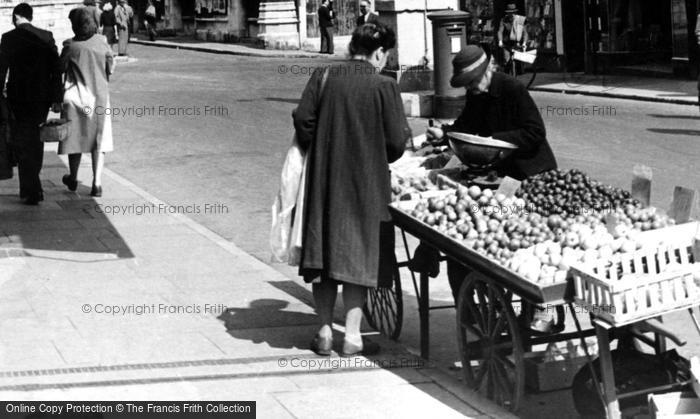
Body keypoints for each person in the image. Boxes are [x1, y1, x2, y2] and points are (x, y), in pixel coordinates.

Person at [293, 23, 411, 356]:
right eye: (384, 56)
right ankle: (354, 337)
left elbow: (303, 120)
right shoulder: (384, 86)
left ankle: (325, 331)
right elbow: (396, 141)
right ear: (378, 53)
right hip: (367, 183)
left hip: (325, 181)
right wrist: (378, 155)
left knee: (325, 257)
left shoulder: (324, 77)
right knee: (361, 255)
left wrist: (320, 150)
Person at [426, 45, 557, 328]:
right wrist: (445, 133)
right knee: (480, 245)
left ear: (488, 71)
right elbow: (467, 125)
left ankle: (543, 308)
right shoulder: (477, 95)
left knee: (527, 245)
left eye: (473, 81)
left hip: (530, 176)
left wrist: (495, 140)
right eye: (467, 84)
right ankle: (486, 311)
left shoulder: (512, 89)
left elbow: (535, 132)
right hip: (501, 180)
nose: (471, 88)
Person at [0, 3, 62, 205]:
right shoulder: (46, 36)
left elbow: (1, 70)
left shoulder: (9, 38)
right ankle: (32, 187)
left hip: (18, 98)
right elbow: (56, 70)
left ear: (17, 16)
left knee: (23, 141)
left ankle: (31, 189)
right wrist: (57, 98)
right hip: (41, 98)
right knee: (36, 140)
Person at [59, 7, 114, 198]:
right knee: (99, 141)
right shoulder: (102, 42)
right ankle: (97, 183)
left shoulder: (70, 46)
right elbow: (110, 68)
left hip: (74, 98)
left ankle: (73, 177)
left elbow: (61, 67)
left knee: (75, 139)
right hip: (99, 96)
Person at [497, 3, 528, 69]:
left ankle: (517, 73)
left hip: (517, 43)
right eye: (509, 13)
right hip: (507, 43)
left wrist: (525, 43)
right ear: (507, 13)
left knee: (518, 63)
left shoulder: (520, 20)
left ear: (515, 12)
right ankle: (507, 74)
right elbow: (500, 31)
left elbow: (525, 33)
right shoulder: (504, 20)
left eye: (513, 12)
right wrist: (500, 41)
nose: (511, 14)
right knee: (507, 60)